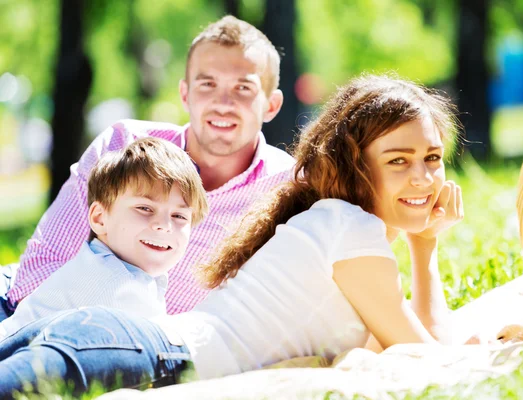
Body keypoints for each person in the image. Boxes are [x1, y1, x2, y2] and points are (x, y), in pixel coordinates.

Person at [0, 74, 473, 395]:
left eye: (432, 157)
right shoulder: (351, 227)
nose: (424, 178)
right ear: (354, 163)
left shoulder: (338, 226)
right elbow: (425, 357)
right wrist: (423, 246)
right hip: (144, 351)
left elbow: (420, 339)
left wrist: (424, 243)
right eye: (398, 160)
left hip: (116, 340)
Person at [0, 15, 295, 320]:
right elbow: (37, 273)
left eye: (243, 88)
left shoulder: (288, 188)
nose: (223, 102)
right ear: (185, 94)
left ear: (271, 105)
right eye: (207, 84)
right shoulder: (123, 145)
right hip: (36, 315)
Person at [0, 138, 208, 339]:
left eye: (179, 216)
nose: (164, 225)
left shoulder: (101, 261)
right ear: (100, 218)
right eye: (145, 208)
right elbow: (160, 352)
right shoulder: (117, 284)